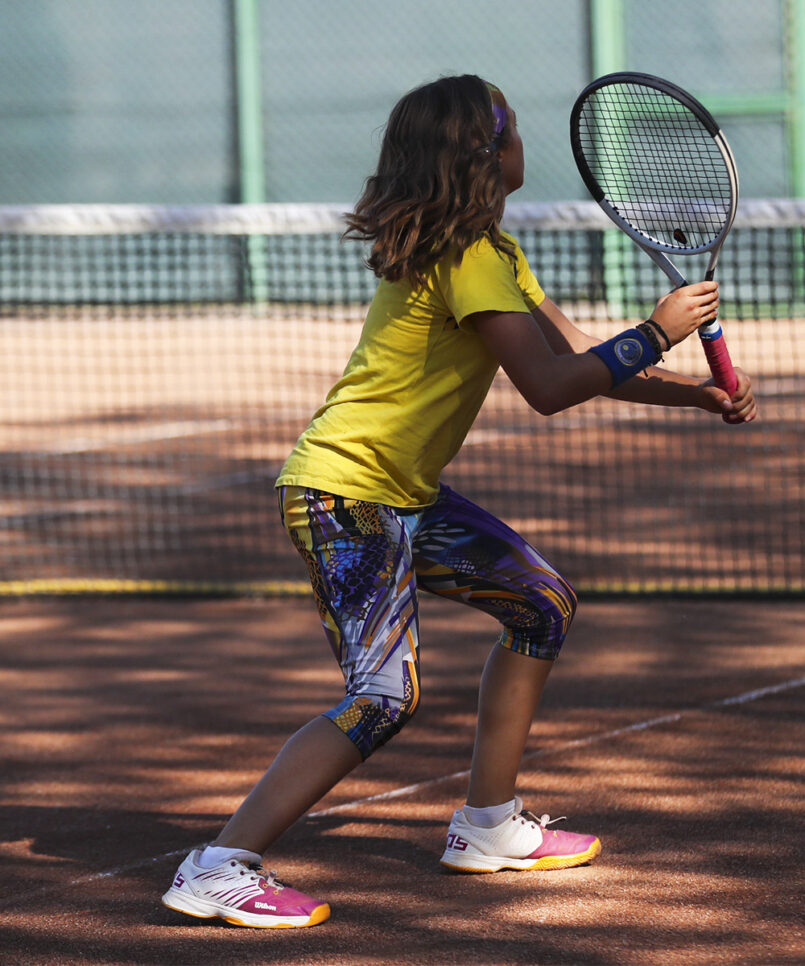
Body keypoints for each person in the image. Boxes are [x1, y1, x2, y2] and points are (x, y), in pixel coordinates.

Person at [161, 74, 757, 929]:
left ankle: (486, 826)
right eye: (510, 125)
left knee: (539, 603)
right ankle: (215, 866)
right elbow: (550, 387)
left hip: (400, 495)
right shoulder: (466, 257)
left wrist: (691, 392)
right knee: (383, 695)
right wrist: (657, 331)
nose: (523, 137)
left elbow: (583, 353)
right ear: (485, 154)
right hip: (343, 496)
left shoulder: (493, 252)